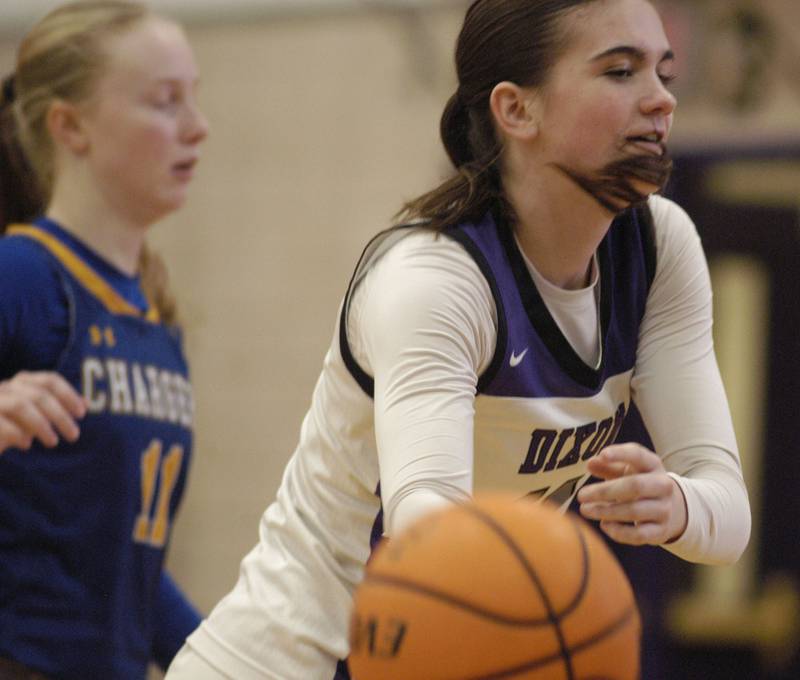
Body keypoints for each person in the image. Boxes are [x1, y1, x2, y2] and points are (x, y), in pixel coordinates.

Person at [167, 0, 751, 678]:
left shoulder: (659, 248)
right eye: (620, 71)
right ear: (517, 110)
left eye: (664, 72)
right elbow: (430, 535)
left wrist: (675, 505)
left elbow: (727, 516)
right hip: (293, 661)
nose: (661, 102)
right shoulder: (435, 281)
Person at [0, 1, 209, 678]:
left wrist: (231, 658)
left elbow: (128, 569)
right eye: (164, 102)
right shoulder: (22, 276)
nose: (197, 128)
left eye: (194, 100)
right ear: (71, 125)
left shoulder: (156, 319)